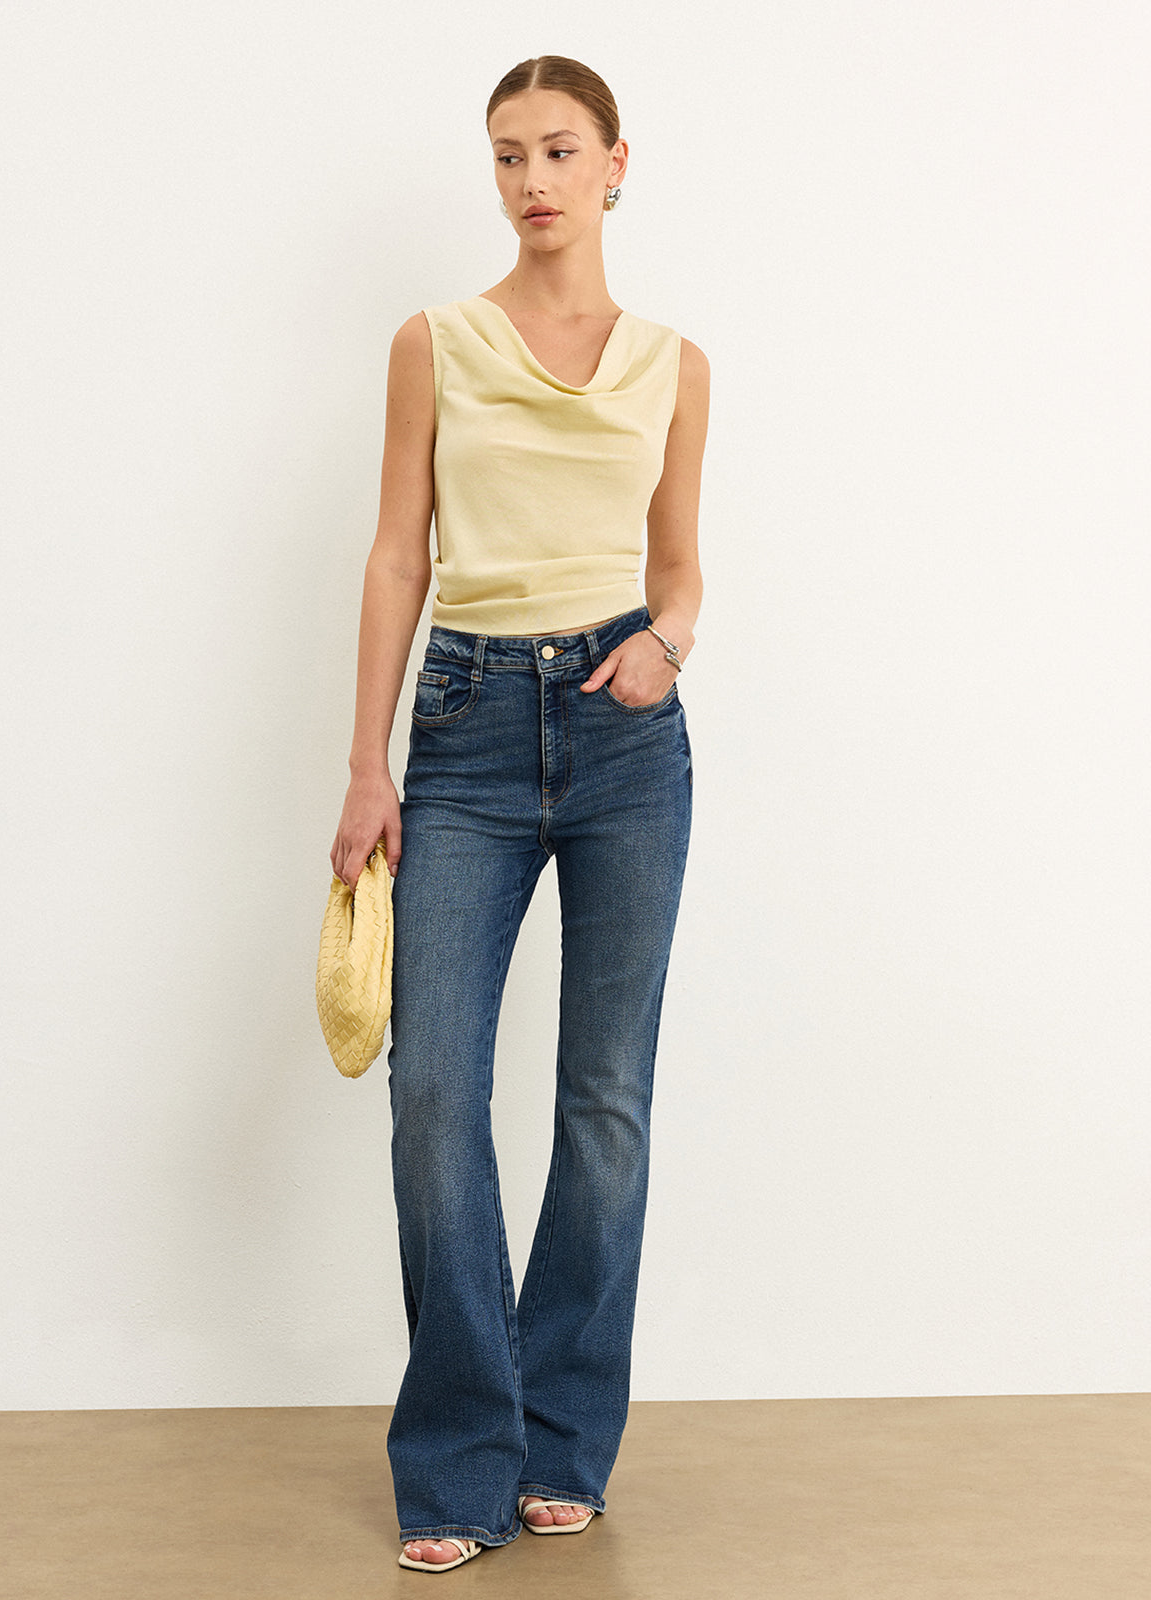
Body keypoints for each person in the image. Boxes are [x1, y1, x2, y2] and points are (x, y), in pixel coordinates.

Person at [329, 54, 709, 1575]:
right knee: (434, 1092)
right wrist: (367, 766)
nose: (532, 180)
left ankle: (562, 1444)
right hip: (466, 725)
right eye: (507, 155)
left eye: (558, 151)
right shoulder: (436, 341)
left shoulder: (677, 362)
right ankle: (459, 1455)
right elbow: (396, 557)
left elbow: (678, 563)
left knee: (604, 1103)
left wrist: (667, 643)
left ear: (617, 163)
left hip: (626, 734)